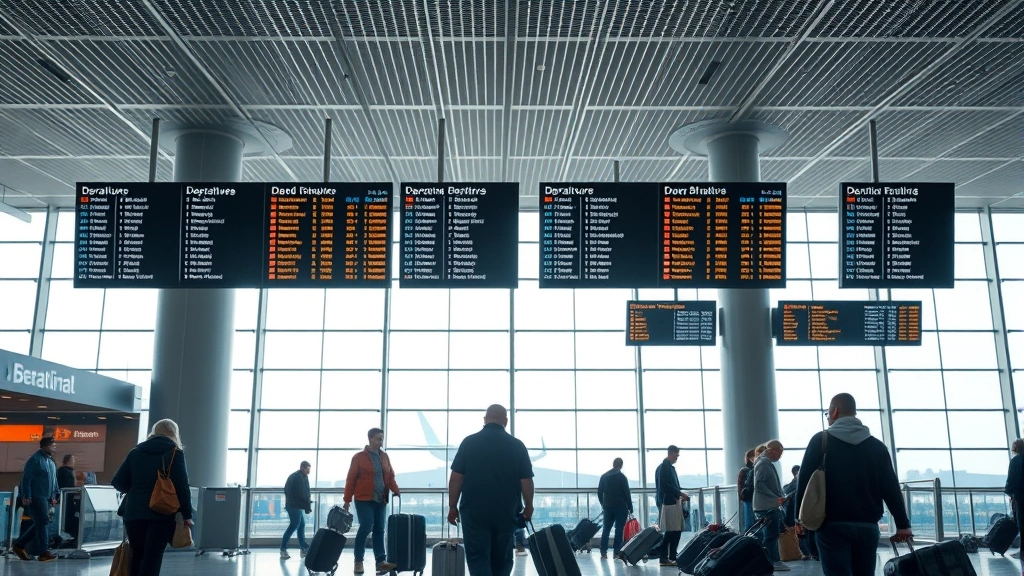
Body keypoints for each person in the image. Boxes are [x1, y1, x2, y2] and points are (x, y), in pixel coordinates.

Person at [797, 393, 912, 576]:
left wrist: (798, 517)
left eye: (827, 414)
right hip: (867, 526)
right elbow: (890, 487)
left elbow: (803, 482)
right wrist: (902, 524)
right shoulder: (877, 447)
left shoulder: (820, 441)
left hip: (831, 525)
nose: (828, 418)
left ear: (834, 412)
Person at [448, 405, 534, 576]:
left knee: (478, 557)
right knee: (502, 558)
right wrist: (529, 506)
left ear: (485, 419)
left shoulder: (469, 442)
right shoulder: (517, 445)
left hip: (474, 511)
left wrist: (452, 506)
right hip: (506, 511)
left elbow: (456, 478)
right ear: (506, 421)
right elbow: (526, 480)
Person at [111, 419, 193, 576]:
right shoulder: (175, 453)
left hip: (133, 513)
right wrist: (187, 515)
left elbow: (118, 482)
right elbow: (182, 487)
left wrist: (137, 489)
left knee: (137, 555)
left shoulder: (135, 452)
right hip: (161, 512)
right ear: (174, 433)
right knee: (153, 557)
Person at [344, 428, 400, 575]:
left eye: (382, 438)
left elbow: (390, 476)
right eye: (378, 439)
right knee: (366, 526)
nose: (381, 441)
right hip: (364, 499)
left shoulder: (385, 457)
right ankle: (358, 561)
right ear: (370, 439)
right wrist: (347, 499)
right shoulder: (359, 457)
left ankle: (381, 563)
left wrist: (395, 489)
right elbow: (351, 479)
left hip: (381, 499)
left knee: (379, 529)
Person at [11, 437, 60, 562]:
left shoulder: (50, 461)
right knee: (43, 522)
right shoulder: (35, 459)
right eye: (52, 445)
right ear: (44, 446)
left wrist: (56, 494)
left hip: (47, 497)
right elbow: (26, 478)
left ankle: (19, 545)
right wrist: (26, 495)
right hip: (37, 496)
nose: (54, 447)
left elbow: (53, 480)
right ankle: (44, 552)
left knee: (40, 522)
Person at [753, 440, 790, 572]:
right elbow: (759, 485)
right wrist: (776, 497)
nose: (781, 455)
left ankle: (770, 560)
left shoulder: (764, 462)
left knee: (770, 534)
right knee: (771, 535)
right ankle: (773, 561)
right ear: (772, 450)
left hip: (767, 505)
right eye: (780, 452)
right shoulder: (763, 464)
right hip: (767, 506)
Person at [654, 445, 689, 567]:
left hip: (671, 502)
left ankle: (671, 556)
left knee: (675, 530)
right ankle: (664, 556)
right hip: (669, 503)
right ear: (671, 453)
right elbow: (665, 486)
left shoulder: (667, 467)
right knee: (672, 530)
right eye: (676, 455)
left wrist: (679, 495)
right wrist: (679, 493)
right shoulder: (665, 467)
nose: (677, 458)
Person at [597, 457, 633, 559]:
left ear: (613, 464)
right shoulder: (622, 477)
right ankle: (616, 552)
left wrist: (603, 504)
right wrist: (630, 507)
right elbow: (627, 494)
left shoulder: (604, 476)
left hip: (608, 506)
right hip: (621, 507)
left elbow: (599, 492)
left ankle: (603, 551)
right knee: (619, 529)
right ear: (621, 465)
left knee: (606, 529)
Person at [281, 461, 312, 559]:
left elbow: (304, 492)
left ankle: (303, 548)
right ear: (302, 467)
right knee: (294, 525)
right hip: (294, 505)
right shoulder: (296, 477)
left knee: (301, 525)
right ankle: (283, 549)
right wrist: (305, 504)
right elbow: (300, 493)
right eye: (307, 468)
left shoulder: (302, 477)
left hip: (296, 505)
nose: (308, 471)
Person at [1003, 438, 1024, 572]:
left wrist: (1011, 494)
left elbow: (1009, 483)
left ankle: (1022, 553)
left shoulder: (1015, 462)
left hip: (1021, 501)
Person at [57, 454, 80, 543]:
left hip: (70, 499)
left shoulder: (70, 471)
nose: (74, 462)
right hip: (65, 499)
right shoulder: (63, 471)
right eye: (72, 460)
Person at [736, 448, 756, 532]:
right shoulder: (747, 470)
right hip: (749, 498)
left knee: (750, 521)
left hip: (749, 498)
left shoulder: (746, 470)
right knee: (750, 521)